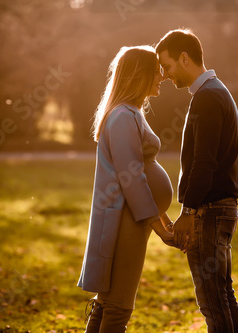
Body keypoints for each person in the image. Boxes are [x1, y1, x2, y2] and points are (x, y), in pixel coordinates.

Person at [78, 45, 176, 332]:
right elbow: (131, 179)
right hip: (127, 220)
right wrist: (160, 228)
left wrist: (164, 220)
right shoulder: (122, 117)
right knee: (118, 305)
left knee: (108, 302)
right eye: (156, 72)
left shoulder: (130, 112)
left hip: (133, 218)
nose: (162, 77)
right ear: (139, 75)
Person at [156, 29, 238, 332]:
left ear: (184, 58)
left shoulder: (208, 97)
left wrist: (188, 212)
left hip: (210, 212)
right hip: (218, 210)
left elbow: (205, 163)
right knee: (222, 297)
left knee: (213, 302)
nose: (165, 75)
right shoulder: (214, 92)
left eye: (167, 67)